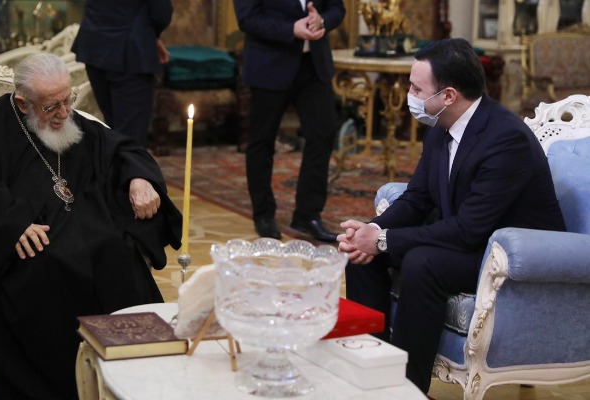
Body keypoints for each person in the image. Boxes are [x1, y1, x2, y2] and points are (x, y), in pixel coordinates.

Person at [0, 53, 182, 400]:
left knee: (117, 252)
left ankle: (135, 373)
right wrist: (9, 227)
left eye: (68, 100)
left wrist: (139, 178)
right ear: (23, 103)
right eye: (51, 107)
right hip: (31, 237)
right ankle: (64, 384)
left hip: (88, 223)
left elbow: (121, 148)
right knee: (51, 265)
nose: (64, 113)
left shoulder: (70, 119)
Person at [337, 38, 566, 396]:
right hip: (471, 238)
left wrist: (383, 240)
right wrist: (372, 230)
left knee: (422, 262)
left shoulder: (506, 139)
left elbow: (469, 229)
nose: (409, 96)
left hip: (513, 255)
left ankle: (406, 390)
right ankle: (373, 375)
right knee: (361, 257)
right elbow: (417, 198)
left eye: (416, 89)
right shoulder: (441, 127)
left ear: (448, 95)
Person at [234, 0, 345, 242]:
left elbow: (337, 8)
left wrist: (322, 20)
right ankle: (263, 214)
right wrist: (291, 29)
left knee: (323, 134)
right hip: (269, 64)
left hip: (313, 65)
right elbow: (247, 18)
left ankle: (308, 214)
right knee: (262, 141)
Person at [71, 0, 173, 145]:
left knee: (113, 135)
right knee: (130, 142)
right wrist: (149, 35)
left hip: (95, 45)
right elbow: (161, 14)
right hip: (129, 54)